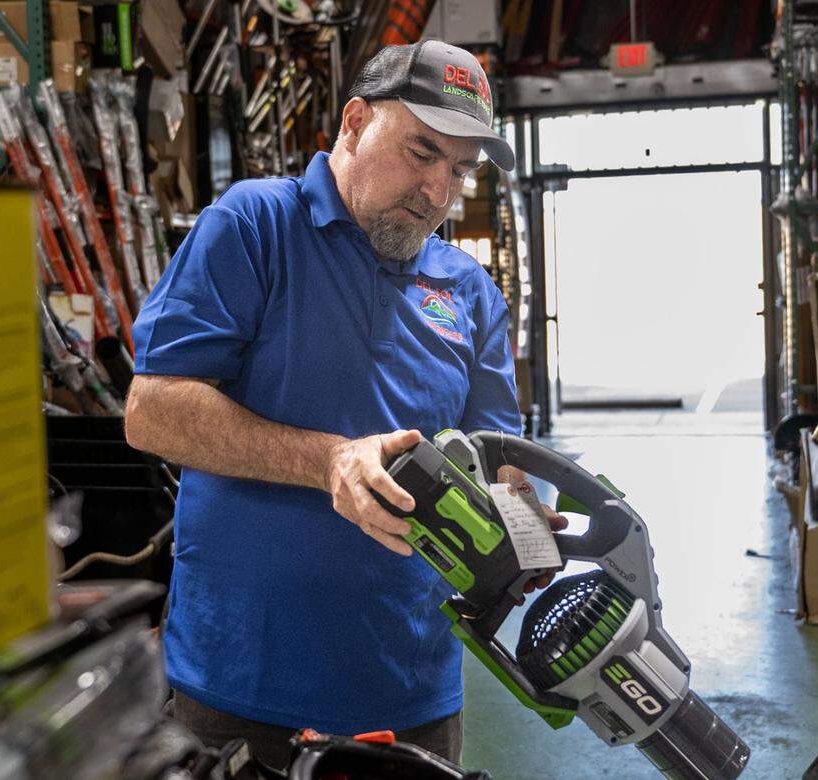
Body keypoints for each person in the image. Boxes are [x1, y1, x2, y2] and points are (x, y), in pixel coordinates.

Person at [125, 39, 565, 769]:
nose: (437, 191)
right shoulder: (253, 227)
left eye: (459, 170)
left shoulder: (470, 291)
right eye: (422, 152)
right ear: (355, 122)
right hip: (240, 686)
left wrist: (525, 526)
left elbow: (497, 462)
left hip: (410, 694)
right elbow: (152, 411)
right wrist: (330, 460)